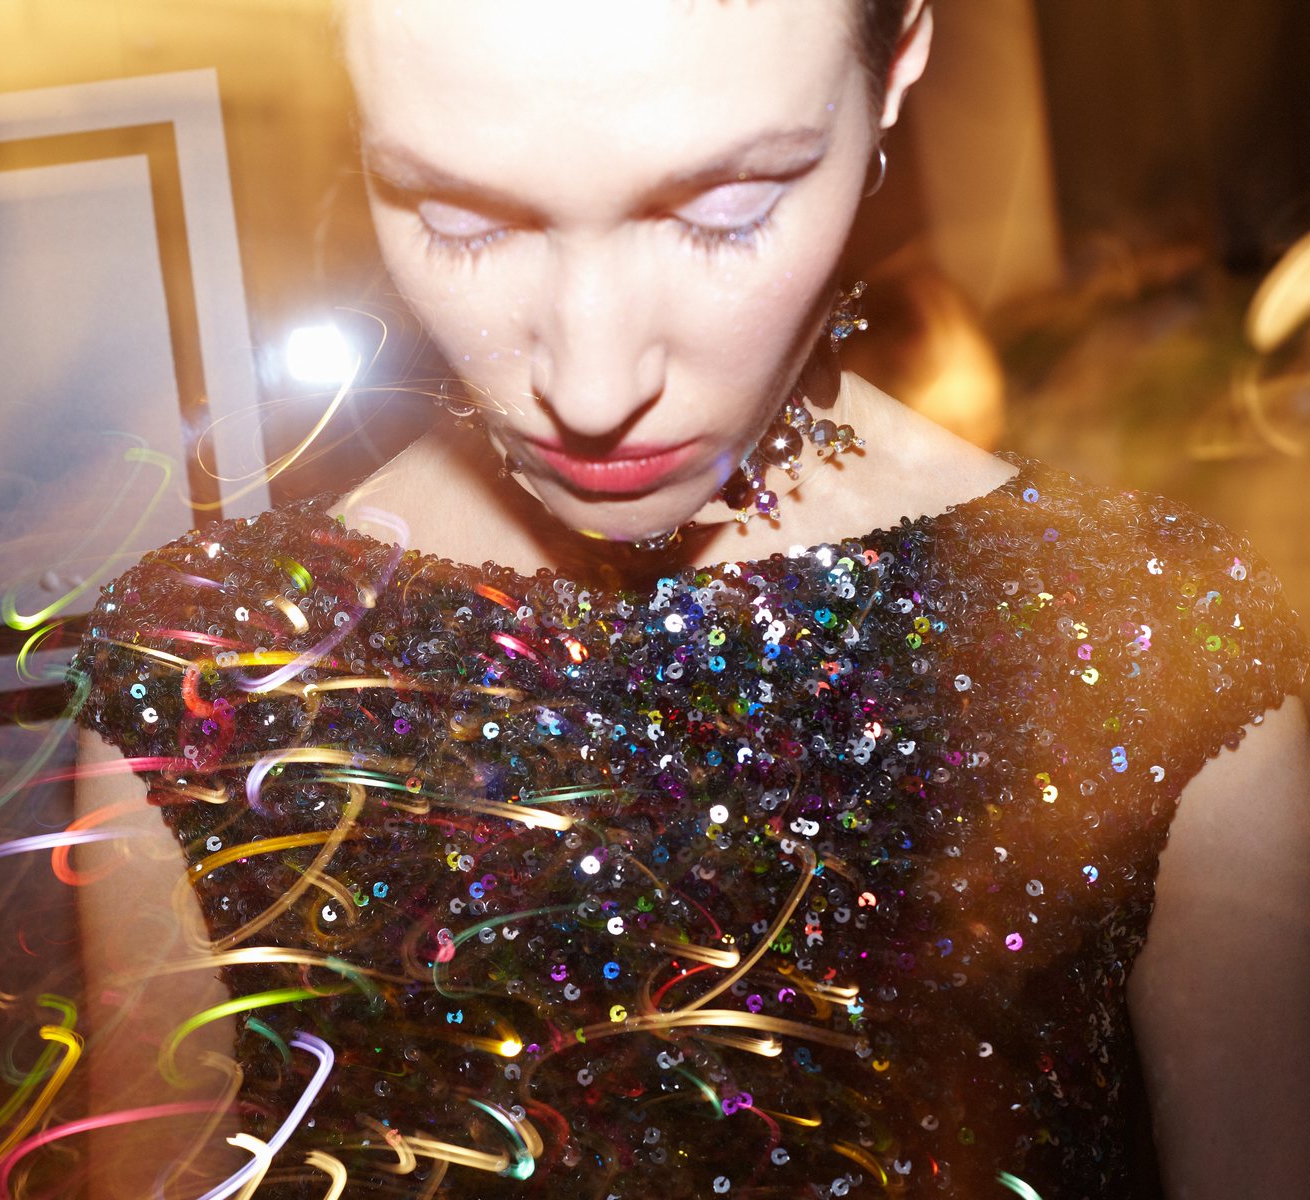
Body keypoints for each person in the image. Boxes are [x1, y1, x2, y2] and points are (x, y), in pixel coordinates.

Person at [71, 2, 1310, 1196]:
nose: (592, 387)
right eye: (460, 217)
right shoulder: (210, 673)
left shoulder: (1157, 648)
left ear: (895, 71)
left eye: (730, 209)